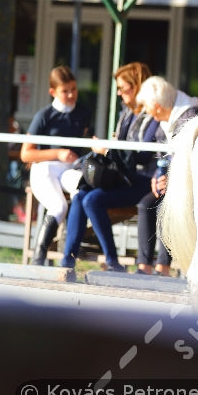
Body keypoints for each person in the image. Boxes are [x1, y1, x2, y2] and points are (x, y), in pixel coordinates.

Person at [61, 62, 159, 272]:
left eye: (124, 88)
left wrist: (106, 151)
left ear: (139, 86)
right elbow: (121, 153)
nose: (120, 93)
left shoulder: (153, 114)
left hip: (143, 180)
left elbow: (141, 156)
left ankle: (112, 260)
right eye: (119, 88)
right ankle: (67, 259)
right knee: (80, 195)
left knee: (92, 199)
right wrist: (108, 149)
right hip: (122, 176)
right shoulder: (126, 114)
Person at [21, 65, 92, 265]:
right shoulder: (44, 116)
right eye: (65, 91)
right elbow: (26, 154)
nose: (71, 95)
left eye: (74, 90)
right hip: (45, 168)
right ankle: (39, 256)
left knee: (84, 193)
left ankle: (69, 252)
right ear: (53, 92)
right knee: (59, 206)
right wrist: (58, 153)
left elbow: (85, 140)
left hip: (69, 170)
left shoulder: (84, 112)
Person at [134, 75, 198, 275]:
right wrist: (158, 176)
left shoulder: (189, 116)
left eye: (146, 106)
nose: (145, 111)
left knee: (167, 205)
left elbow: (189, 158)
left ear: (156, 106)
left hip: (194, 183)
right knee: (145, 204)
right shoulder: (165, 118)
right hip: (173, 181)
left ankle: (163, 267)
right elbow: (159, 155)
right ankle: (144, 266)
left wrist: (169, 179)